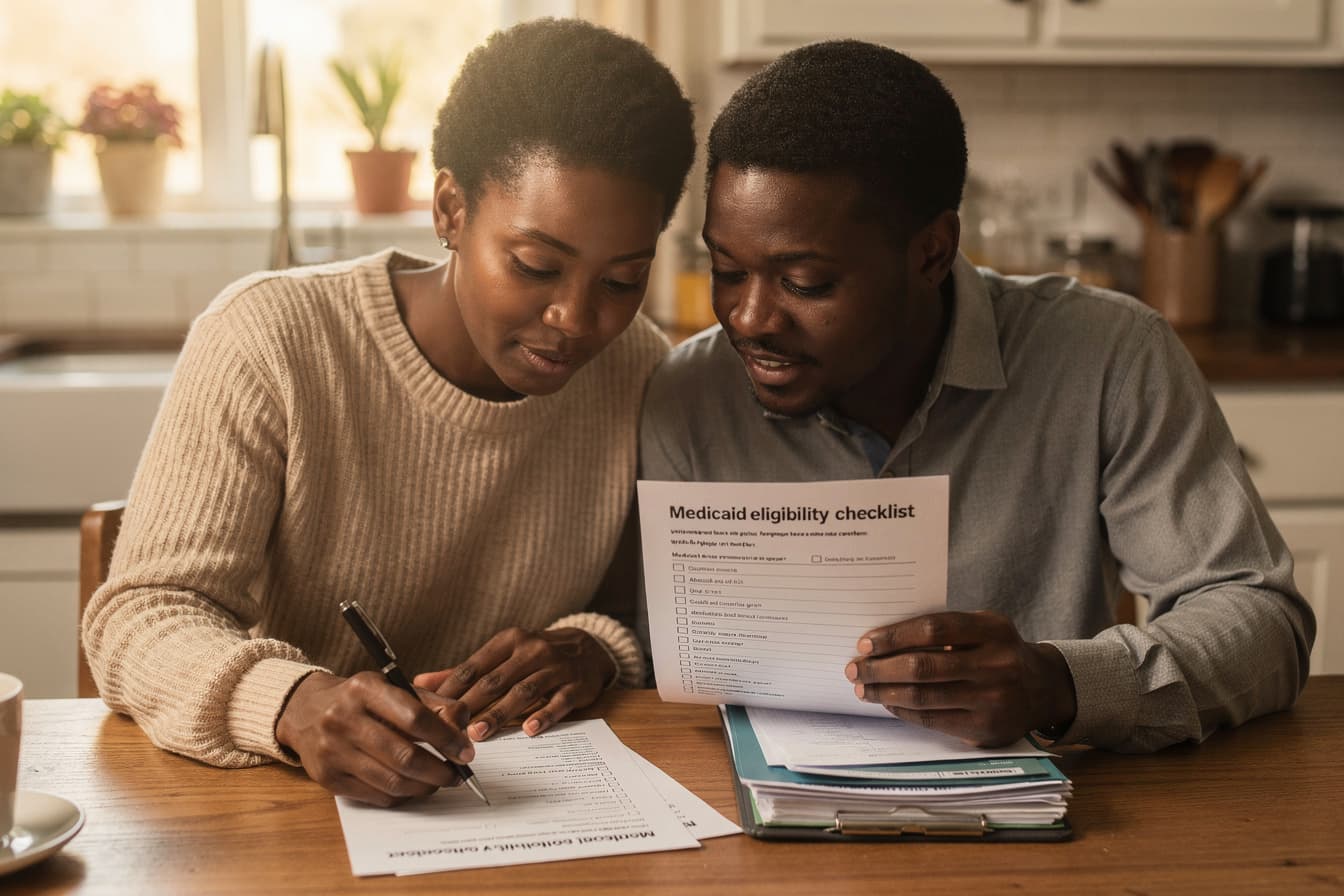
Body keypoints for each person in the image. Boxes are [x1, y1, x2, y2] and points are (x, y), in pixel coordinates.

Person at [83, 18, 695, 807]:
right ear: (449, 208)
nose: (576, 321)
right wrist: (292, 704)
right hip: (270, 816)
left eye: (621, 281)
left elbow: (641, 612)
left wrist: (595, 649)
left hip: (526, 819)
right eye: (536, 266)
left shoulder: (638, 368)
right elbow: (139, 616)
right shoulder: (270, 339)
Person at [639, 39, 1314, 752]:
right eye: (725, 268)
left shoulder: (1109, 356)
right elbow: (658, 665)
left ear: (931, 252)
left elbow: (1262, 620)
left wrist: (1060, 683)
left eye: (805, 283)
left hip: (1065, 823)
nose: (749, 319)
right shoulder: (689, 397)